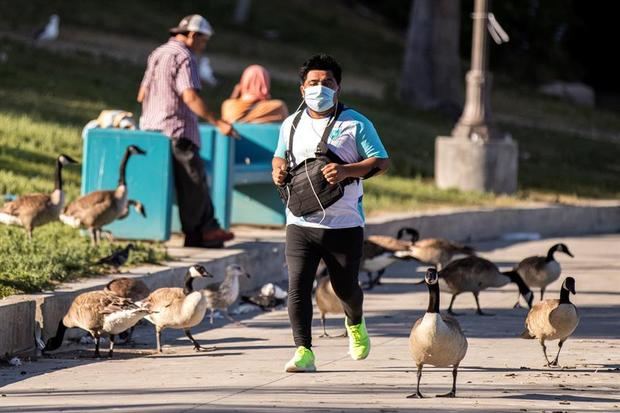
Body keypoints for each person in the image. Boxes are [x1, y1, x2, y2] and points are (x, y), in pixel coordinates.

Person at [272, 54, 390, 372]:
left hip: (344, 223)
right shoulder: (291, 123)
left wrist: (347, 170)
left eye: (327, 83)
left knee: (344, 288)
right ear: (302, 89)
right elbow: (279, 157)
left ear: (338, 87)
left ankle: (355, 322)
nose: (319, 88)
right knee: (298, 285)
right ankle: (303, 351)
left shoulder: (356, 123)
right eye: (313, 83)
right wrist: (279, 170)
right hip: (299, 221)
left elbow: (380, 161)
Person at [138, 14, 235, 248]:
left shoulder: (158, 53)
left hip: (152, 128)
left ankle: (204, 229)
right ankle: (201, 233)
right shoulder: (185, 56)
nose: (203, 47)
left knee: (192, 179)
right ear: (193, 35)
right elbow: (190, 96)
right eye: (203, 41)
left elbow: (141, 94)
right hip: (177, 129)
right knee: (194, 181)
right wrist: (217, 121)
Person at [221, 65, 289, 124]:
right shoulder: (278, 106)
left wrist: (234, 95)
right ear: (266, 83)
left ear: (244, 81)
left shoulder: (228, 105)